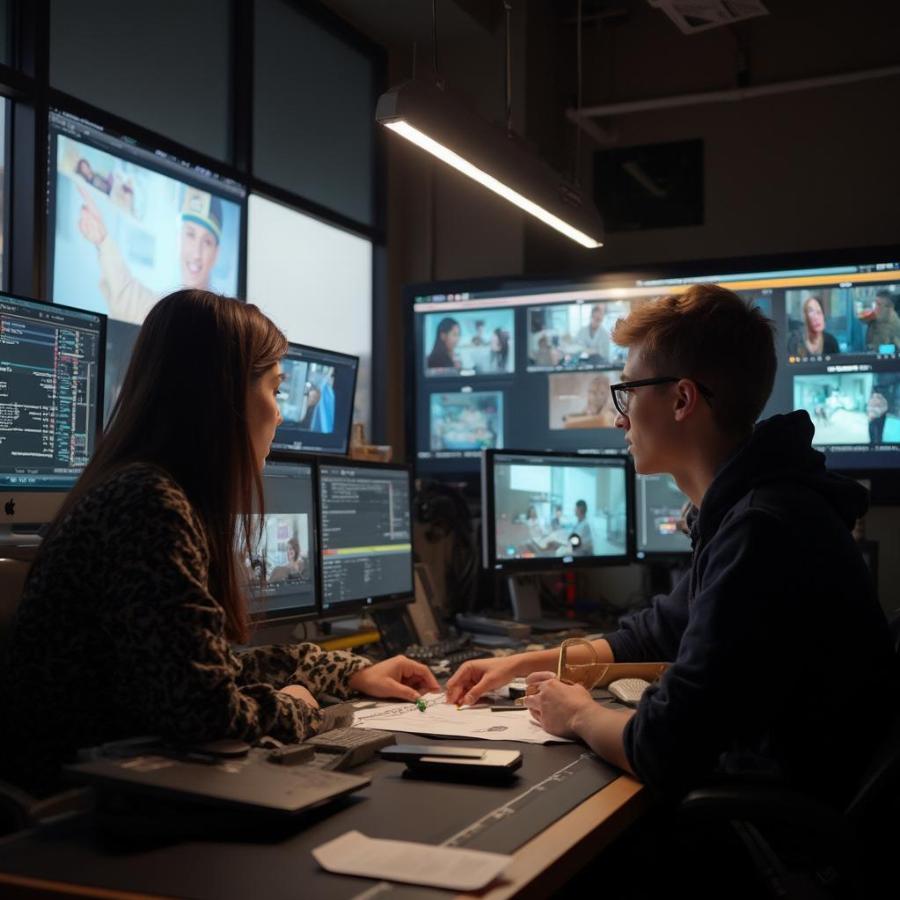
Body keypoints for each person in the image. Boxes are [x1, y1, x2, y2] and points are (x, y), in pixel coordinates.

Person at [447, 282, 896, 813]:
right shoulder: (755, 508)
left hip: (778, 822)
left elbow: (664, 747)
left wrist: (577, 714)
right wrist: (526, 663)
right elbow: (660, 630)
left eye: (628, 393)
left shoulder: (762, 529)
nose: (620, 417)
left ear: (682, 399)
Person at [0, 290, 439, 798]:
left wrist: (346, 672)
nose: (278, 414)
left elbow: (211, 667)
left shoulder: (149, 491)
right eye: (274, 390)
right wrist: (300, 704)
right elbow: (209, 714)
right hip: (80, 819)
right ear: (224, 396)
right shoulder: (147, 504)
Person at [77, 185, 225, 326]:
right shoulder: (165, 312)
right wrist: (102, 240)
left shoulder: (226, 322)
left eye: (207, 242)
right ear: (179, 238)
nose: (196, 253)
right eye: (190, 234)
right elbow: (126, 296)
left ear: (216, 253)